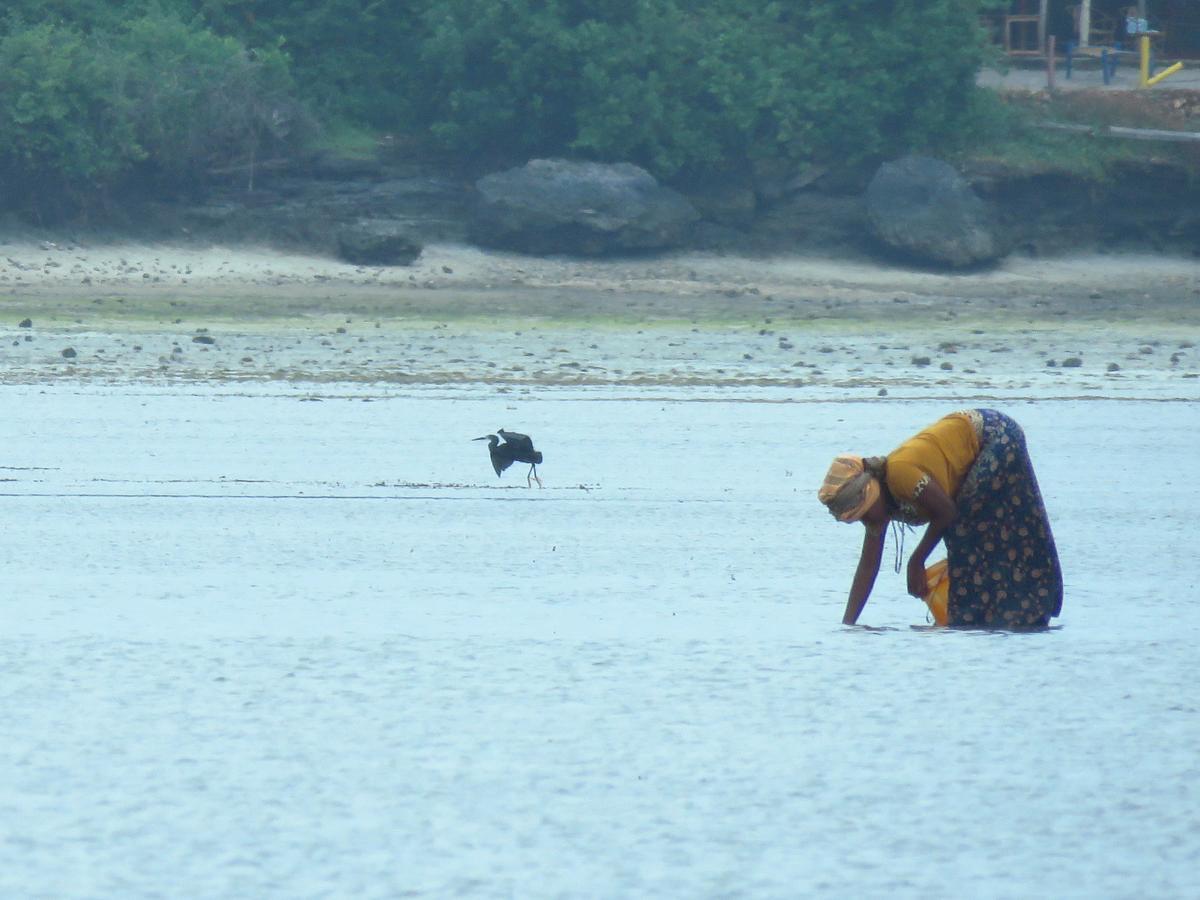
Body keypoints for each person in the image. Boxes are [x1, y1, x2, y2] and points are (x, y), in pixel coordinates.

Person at [818, 409, 1062, 628]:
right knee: (969, 541)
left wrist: (916, 561)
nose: (867, 521)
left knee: (965, 534)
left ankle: (1009, 615)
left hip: (995, 436)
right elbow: (868, 566)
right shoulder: (879, 511)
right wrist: (848, 626)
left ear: (873, 493)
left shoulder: (900, 474)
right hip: (981, 446)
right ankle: (986, 618)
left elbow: (946, 512)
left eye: (865, 513)